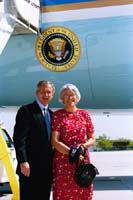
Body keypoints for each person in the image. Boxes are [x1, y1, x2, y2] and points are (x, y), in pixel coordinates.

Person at [51, 83, 96, 200]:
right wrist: (71, 153)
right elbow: (55, 141)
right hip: (63, 161)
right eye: (66, 95)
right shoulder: (57, 115)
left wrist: (83, 146)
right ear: (61, 98)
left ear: (77, 97)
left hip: (82, 159)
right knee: (64, 193)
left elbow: (92, 138)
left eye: (72, 95)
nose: (69, 97)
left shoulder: (84, 114)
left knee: (83, 190)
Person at [13, 80, 55, 200]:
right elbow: (19, 139)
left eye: (48, 92)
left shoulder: (52, 115)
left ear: (52, 95)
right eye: (42, 92)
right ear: (37, 93)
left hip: (46, 169)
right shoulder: (26, 111)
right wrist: (23, 161)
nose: (45, 95)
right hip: (29, 168)